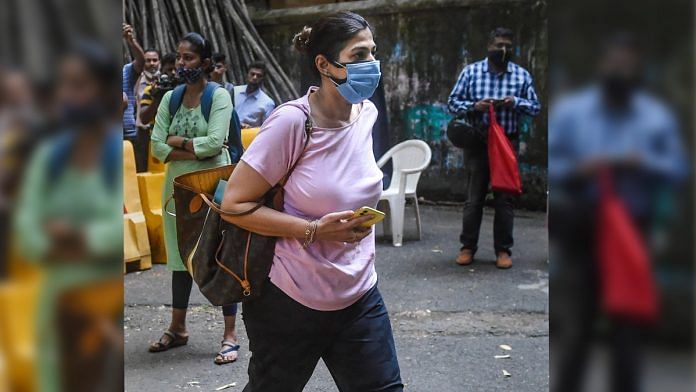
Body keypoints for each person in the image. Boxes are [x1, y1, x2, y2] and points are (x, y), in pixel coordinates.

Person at [220, 11, 403, 391]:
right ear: (323, 64)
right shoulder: (291, 123)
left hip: (359, 294)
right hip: (290, 301)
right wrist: (315, 230)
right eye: (358, 55)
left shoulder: (366, 113)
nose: (371, 64)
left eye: (373, 52)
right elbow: (234, 204)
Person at [548, 33, 687, 392]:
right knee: (578, 325)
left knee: (629, 328)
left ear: (637, 69)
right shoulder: (574, 112)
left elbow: (678, 168)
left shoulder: (654, 116)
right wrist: (583, 168)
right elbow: (555, 163)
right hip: (584, 227)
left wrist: (641, 162)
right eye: (614, 62)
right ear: (601, 65)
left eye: (628, 64)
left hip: (632, 232)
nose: (619, 70)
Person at [13, 41, 123, 392]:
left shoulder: (115, 154)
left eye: (79, 85)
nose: (67, 95)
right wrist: (74, 244)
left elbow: (117, 230)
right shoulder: (49, 156)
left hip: (108, 309)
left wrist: (74, 237)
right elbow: (26, 229)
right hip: (56, 306)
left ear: (104, 91)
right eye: (64, 84)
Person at [148, 32, 242, 365]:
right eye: (179, 57)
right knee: (179, 258)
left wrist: (180, 144)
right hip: (177, 191)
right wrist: (193, 147)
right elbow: (156, 147)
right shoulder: (170, 99)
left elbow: (216, 143)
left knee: (218, 255)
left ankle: (230, 334)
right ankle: (178, 327)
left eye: (188, 58)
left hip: (212, 187)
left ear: (204, 62)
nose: (181, 64)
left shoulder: (219, 96)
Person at [447, 27, 540, 269]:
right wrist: (475, 105)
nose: (503, 50)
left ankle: (503, 251)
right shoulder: (471, 72)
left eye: (508, 46)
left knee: (505, 200)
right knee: (474, 198)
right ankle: (467, 247)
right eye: (499, 45)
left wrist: (514, 102)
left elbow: (535, 107)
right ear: (489, 46)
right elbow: (452, 103)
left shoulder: (521, 76)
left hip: (507, 143)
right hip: (479, 142)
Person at [121, 23, 146, 172]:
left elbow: (141, 62)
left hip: (129, 135)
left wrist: (131, 41)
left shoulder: (126, 71)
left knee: (131, 175)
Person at [232, 60, 275, 128]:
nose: (255, 77)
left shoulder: (268, 103)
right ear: (247, 74)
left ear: (263, 79)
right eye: (252, 74)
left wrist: (249, 128)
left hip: (248, 136)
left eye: (259, 76)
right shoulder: (234, 91)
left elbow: (266, 129)